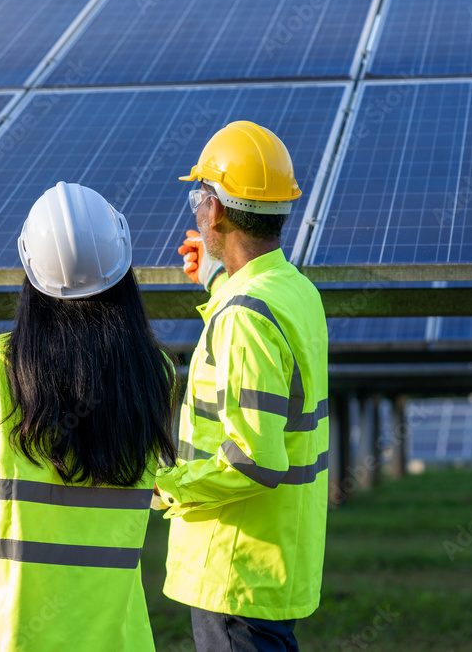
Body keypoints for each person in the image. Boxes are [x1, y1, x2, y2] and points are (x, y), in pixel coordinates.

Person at [0, 181, 177, 651]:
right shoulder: (153, 372)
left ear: (30, 270)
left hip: (5, 628)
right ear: (123, 262)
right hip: (112, 630)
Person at [154, 121, 330, 651]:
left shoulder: (244, 315)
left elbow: (255, 459)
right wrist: (217, 278)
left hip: (235, 570)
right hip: (272, 557)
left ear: (218, 212)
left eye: (199, 198)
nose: (197, 211)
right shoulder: (295, 291)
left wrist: (165, 485)